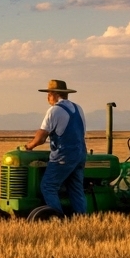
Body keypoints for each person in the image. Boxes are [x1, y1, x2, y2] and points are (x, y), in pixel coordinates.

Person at [22, 79, 87, 216]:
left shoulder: (54, 111)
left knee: (48, 186)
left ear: (55, 94)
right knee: (75, 189)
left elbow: (41, 137)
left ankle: (56, 218)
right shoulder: (78, 108)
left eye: (49, 93)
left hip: (63, 156)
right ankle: (82, 219)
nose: (47, 97)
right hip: (80, 154)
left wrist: (30, 145)